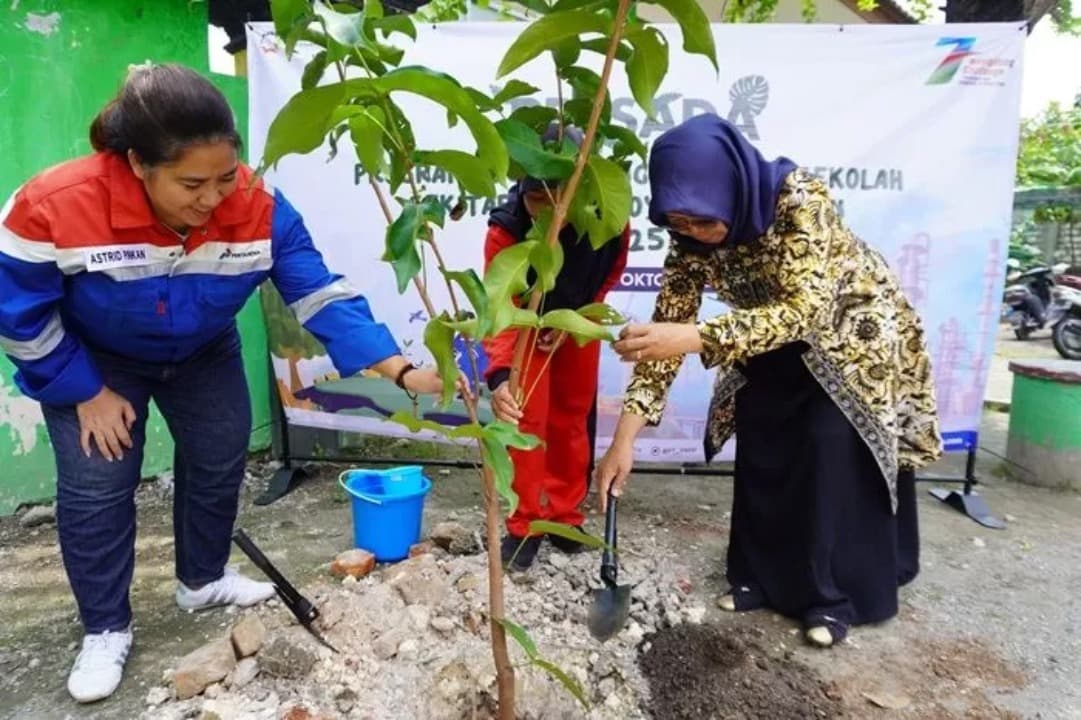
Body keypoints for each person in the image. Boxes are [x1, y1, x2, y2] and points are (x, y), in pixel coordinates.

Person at [0, 63, 449, 703]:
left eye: (225, 178)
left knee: (219, 454)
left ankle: (202, 580)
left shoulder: (260, 207)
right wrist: (84, 391)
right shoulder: (53, 205)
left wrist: (399, 369)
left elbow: (318, 293)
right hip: (93, 360)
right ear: (137, 164)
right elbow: (16, 314)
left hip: (202, 350)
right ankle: (105, 626)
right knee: (99, 484)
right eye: (191, 183)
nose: (213, 199)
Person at [594, 114, 942, 647]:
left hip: (849, 331)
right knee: (762, 437)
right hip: (764, 332)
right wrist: (623, 442)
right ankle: (759, 577)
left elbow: (804, 311)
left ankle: (832, 598)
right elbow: (665, 339)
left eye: (702, 220)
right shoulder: (687, 239)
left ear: (730, 189)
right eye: (677, 222)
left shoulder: (798, 198)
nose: (692, 232)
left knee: (827, 448)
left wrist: (692, 337)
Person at [482, 125, 629, 571]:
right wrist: (501, 375)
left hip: (576, 323)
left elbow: (608, 272)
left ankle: (564, 514)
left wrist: (578, 319)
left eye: (557, 198)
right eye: (535, 199)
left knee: (572, 417)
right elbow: (499, 307)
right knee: (525, 418)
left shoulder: (608, 219)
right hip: (525, 327)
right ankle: (524, 524)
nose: (547, 211)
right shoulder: (506, 229)